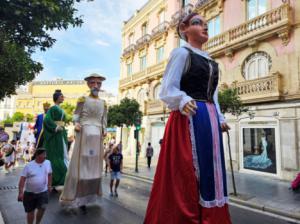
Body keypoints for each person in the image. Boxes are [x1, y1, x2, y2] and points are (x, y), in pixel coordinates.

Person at [144, 12, 231, 224]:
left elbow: (214, 95)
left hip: (209, 119)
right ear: (184, 30)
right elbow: (167, 89)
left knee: (212, 168)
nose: (204, 26)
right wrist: (182, 100)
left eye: (205, 24)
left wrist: (219, 118)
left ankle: (212, 216)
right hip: (188, 118)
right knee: (189, 171)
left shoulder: (211, 61)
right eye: (197, 23)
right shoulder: (182, 53)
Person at [60, 74, 107, 213]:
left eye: (99, 83)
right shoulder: (82, 99)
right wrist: (76, 124)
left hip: (97, 134)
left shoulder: (104, 102)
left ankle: (90, 195)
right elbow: (76, 115)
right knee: (82, 164)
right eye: (93, 83)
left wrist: (104, 129)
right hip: (85, 131)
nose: (96, 85)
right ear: (88, 84)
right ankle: (77, 197)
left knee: (94, 165)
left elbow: (104, 119)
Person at [18, 148, 52, 224]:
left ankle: (37, 223)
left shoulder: (48, 163)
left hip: (43, 192)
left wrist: (49, 185)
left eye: (45, 155)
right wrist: (20, 193)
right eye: (42, 155)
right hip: (30, 193)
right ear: (37, 155)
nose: (44, 157)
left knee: (42, 209)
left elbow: (50, 174)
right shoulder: (29, 166)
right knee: (30, 212)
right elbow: (22, 180)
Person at [43, 89, 68, 187]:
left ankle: (62, 176)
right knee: (56, 153)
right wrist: (55, 127)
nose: (63, 98)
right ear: (57, 98)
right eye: (61, 96)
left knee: (63, 153)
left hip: (61, 133)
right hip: (56, 133)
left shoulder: (61, 109)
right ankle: (56, 177)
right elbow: (47, 120)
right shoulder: (52, 108)